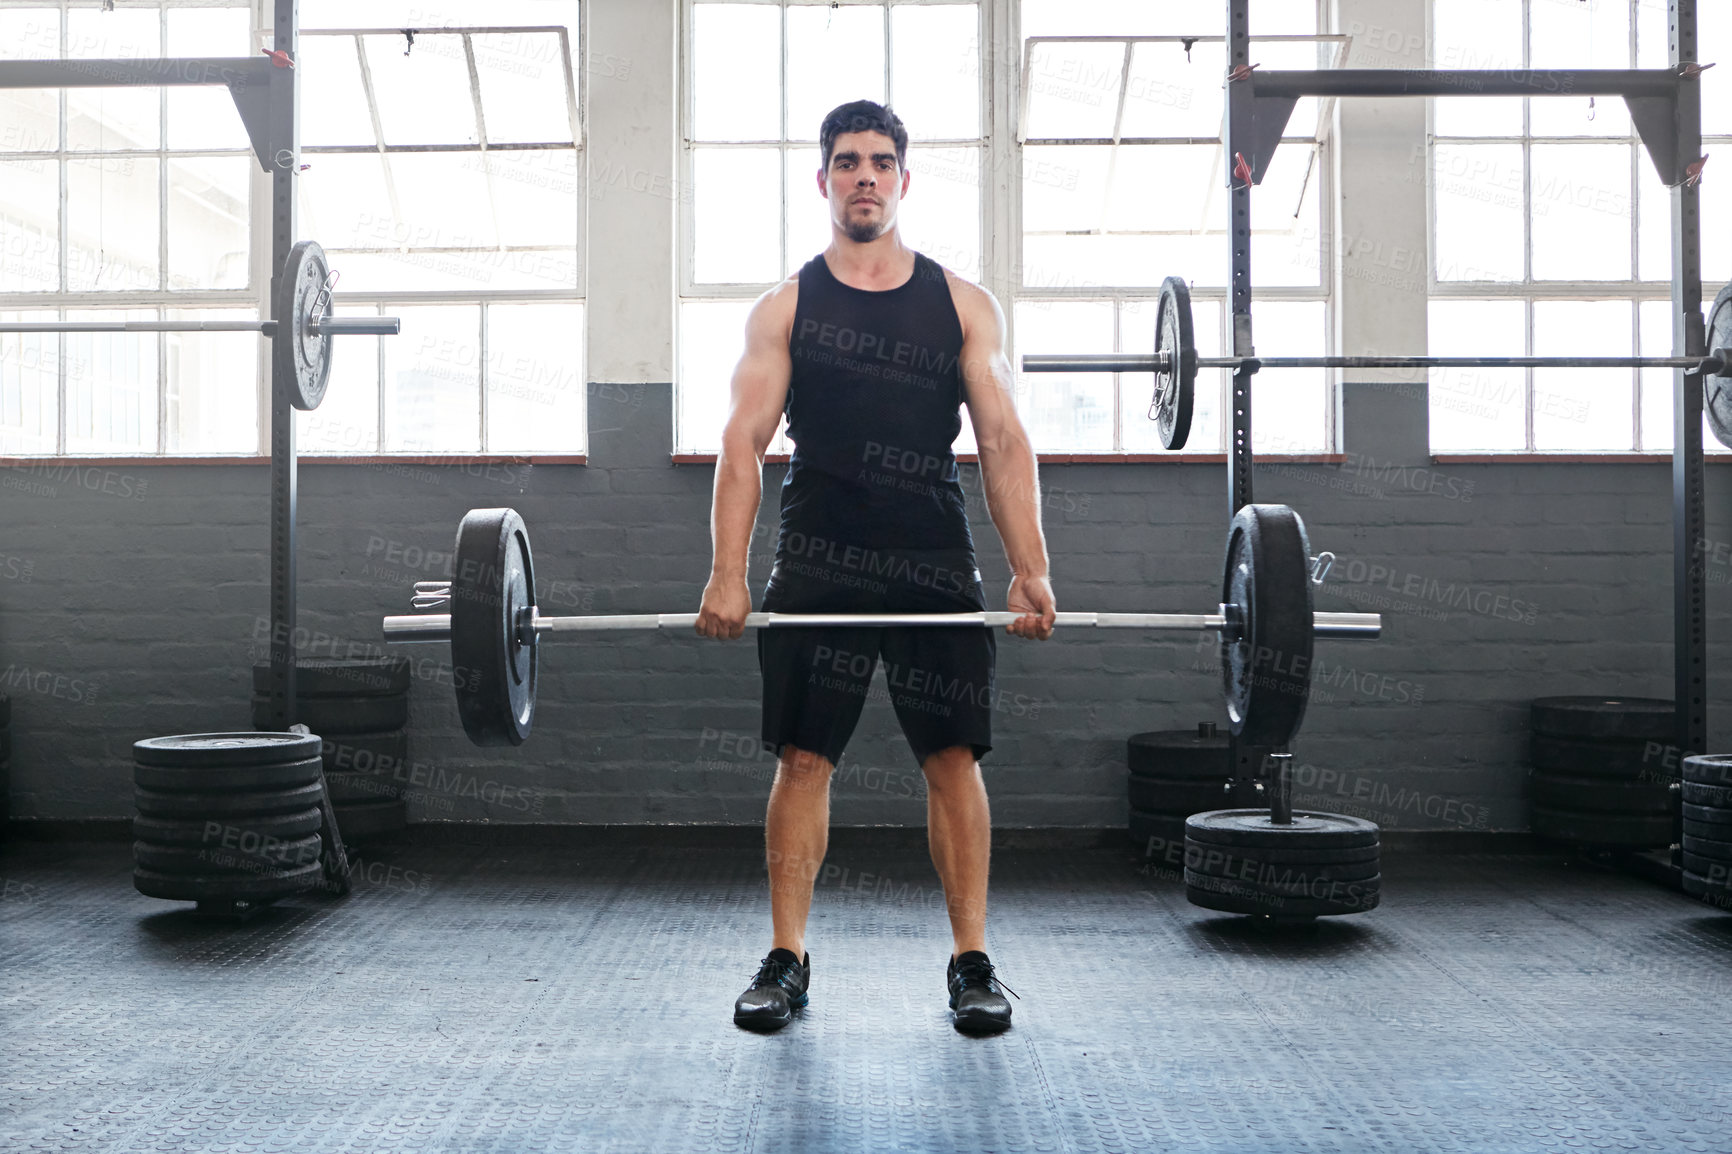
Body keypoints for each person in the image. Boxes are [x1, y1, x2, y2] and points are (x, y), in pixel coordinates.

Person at [696, 99, 1055, 1035]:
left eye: (881, 162)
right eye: (848, 162)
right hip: (818, 550)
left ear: (903, 179)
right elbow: (743, 445)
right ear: (824, 181)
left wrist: (1030, 569)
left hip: (931, 550)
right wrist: (726, 573)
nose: (865, 176)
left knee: (951, 758)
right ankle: (786, 958)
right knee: (805, 759)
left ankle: (972, 961)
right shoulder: (787, 306)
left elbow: (1005, 441)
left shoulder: (961, 304)